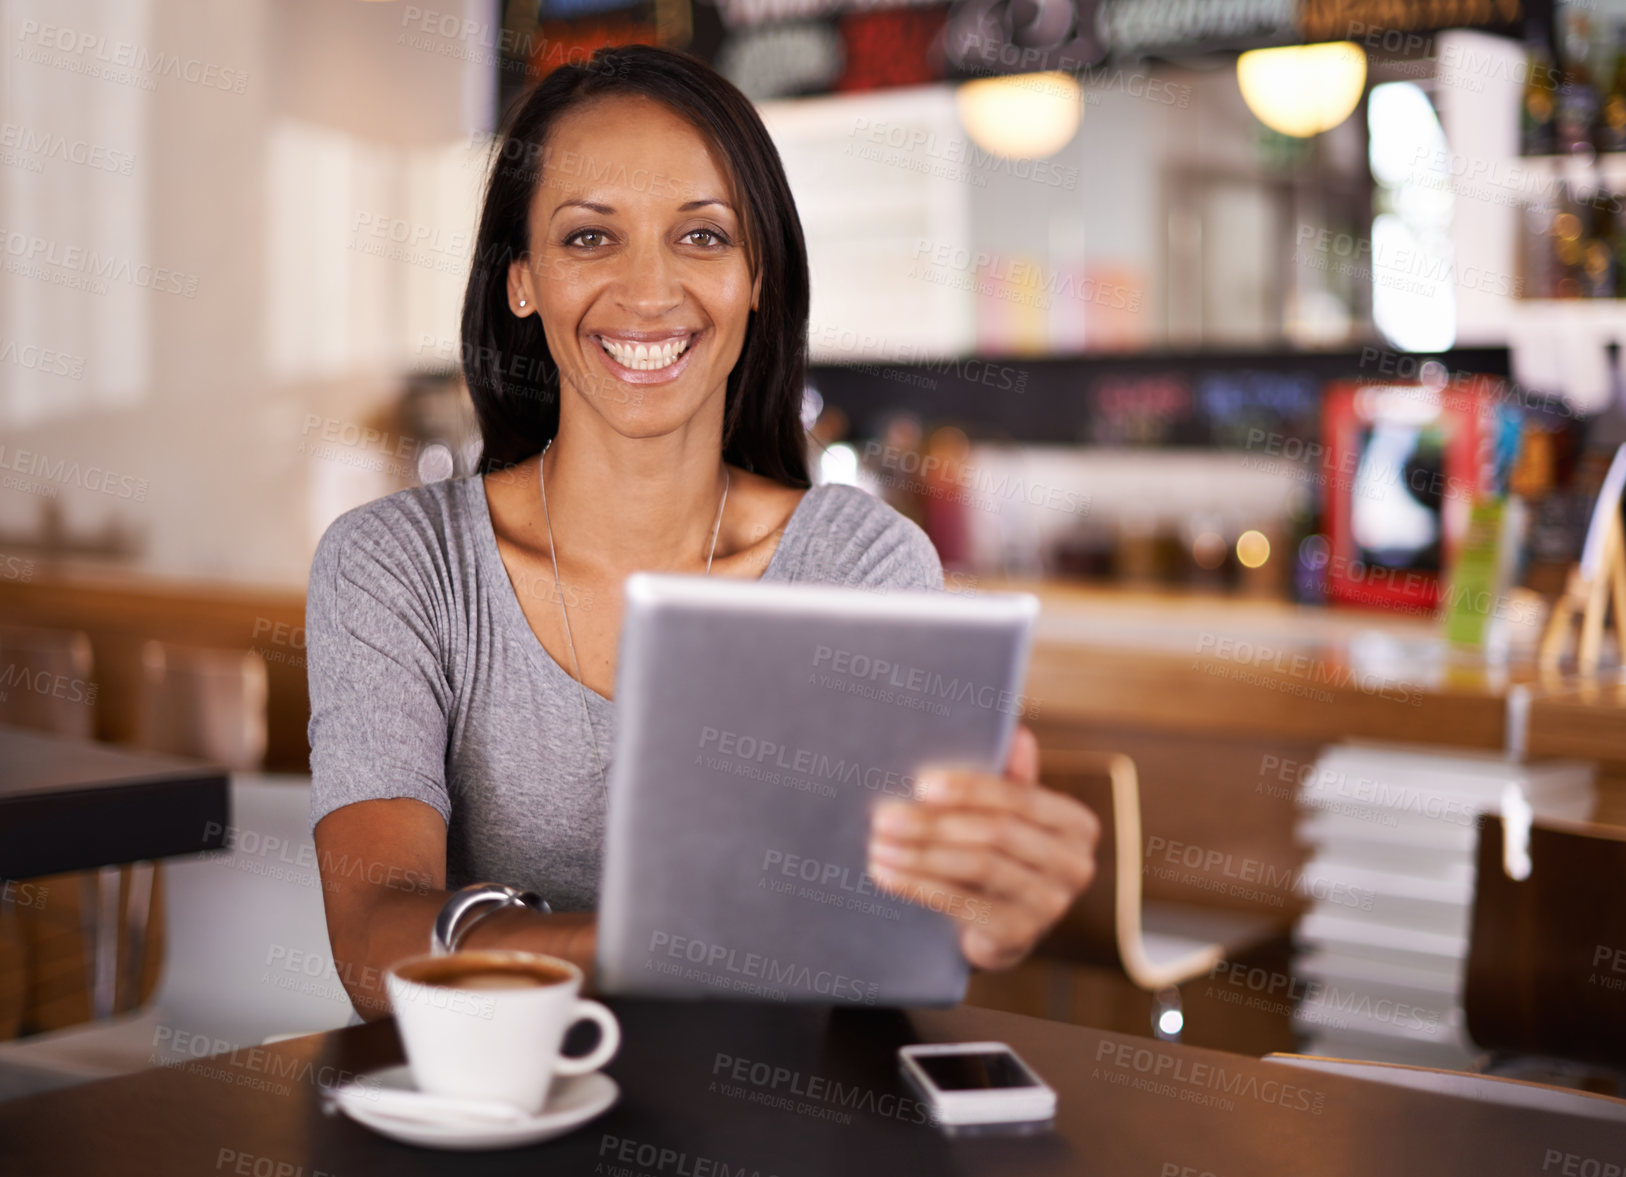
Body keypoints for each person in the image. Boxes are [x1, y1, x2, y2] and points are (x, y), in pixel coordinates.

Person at [307, 45, 1098, 1019]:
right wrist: (650, 942)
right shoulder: (398, 565)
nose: (648, 291)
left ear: (757, 275)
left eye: (702, 237)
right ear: (522, 280)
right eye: (589, 238)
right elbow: (373, 941)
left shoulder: (857, 566)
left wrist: (978, 913)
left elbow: (893, 930)